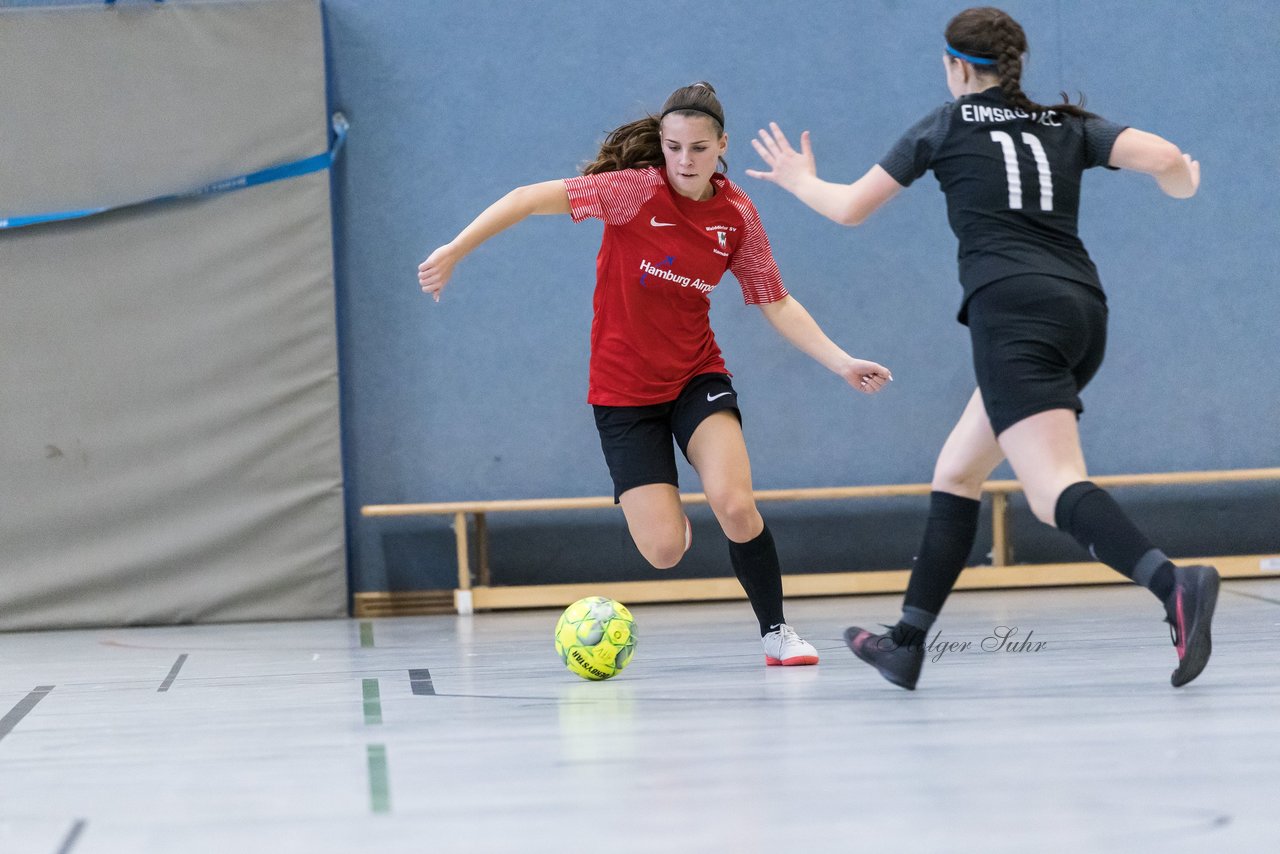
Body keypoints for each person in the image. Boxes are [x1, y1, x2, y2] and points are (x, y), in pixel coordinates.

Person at [746, 6, 1217, 688]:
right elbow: (1168, 160)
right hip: (1081, 313)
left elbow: (849, 207)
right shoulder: (1064, 124)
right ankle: (905, 642)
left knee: (1052, 488)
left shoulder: (943, 125)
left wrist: (795, 180)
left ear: (956, 66)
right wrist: (1185, 183)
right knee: (959, 472)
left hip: (1013, 314)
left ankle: (1174, 583)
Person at [419, 82, 893, 666]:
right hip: (622, 394)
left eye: (698, 148)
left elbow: (775, 300)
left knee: (735, 504)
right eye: (673, 148)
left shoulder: (736, 214)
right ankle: (669, 515)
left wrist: (842, 361)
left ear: (722, 145)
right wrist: (454, 250)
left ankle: (777, 633)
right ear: (661, 146)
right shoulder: (629, 193)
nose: (685, 161)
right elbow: (523, 198)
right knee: (664, 551)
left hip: (696, 376)